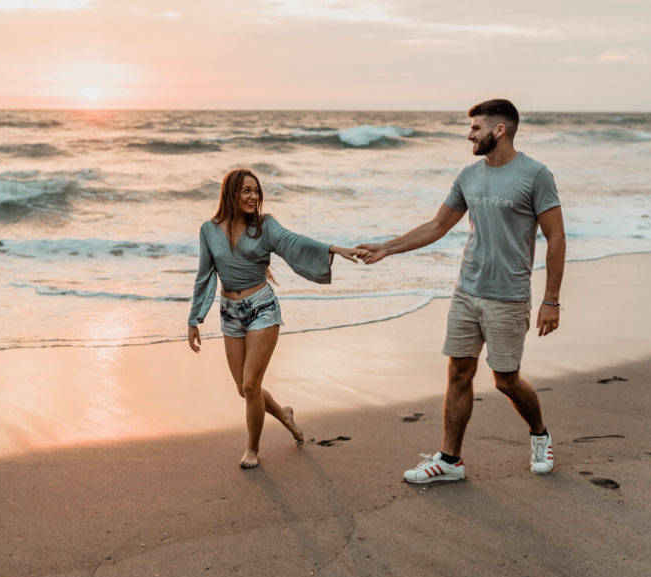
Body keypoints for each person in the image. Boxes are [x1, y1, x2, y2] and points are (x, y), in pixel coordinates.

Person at [358, 99, 566, 482]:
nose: (469, 135)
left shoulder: (535, 175)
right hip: (467, 291)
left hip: (509, 294)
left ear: (499, 130)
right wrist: (387, 247)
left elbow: (556, 237)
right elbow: (438, 226)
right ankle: (450, 460)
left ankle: (540, 435)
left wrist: (551, 300)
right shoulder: (469, 175)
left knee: (505, 379)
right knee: (458, 373)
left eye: (476, 128)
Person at [187, 168, 364, 469]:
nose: (253, 196)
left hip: (262, 308)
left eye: (256, 191)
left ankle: (253, 449)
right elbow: (205, 275)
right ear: (231, 193)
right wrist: (194, 318)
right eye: (246, 190)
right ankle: (285, 415)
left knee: (252, 384)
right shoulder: (208, 230)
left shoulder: (265, 226)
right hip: (229, 313)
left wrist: (334, 249)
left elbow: (293, 242)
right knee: (244, 388)